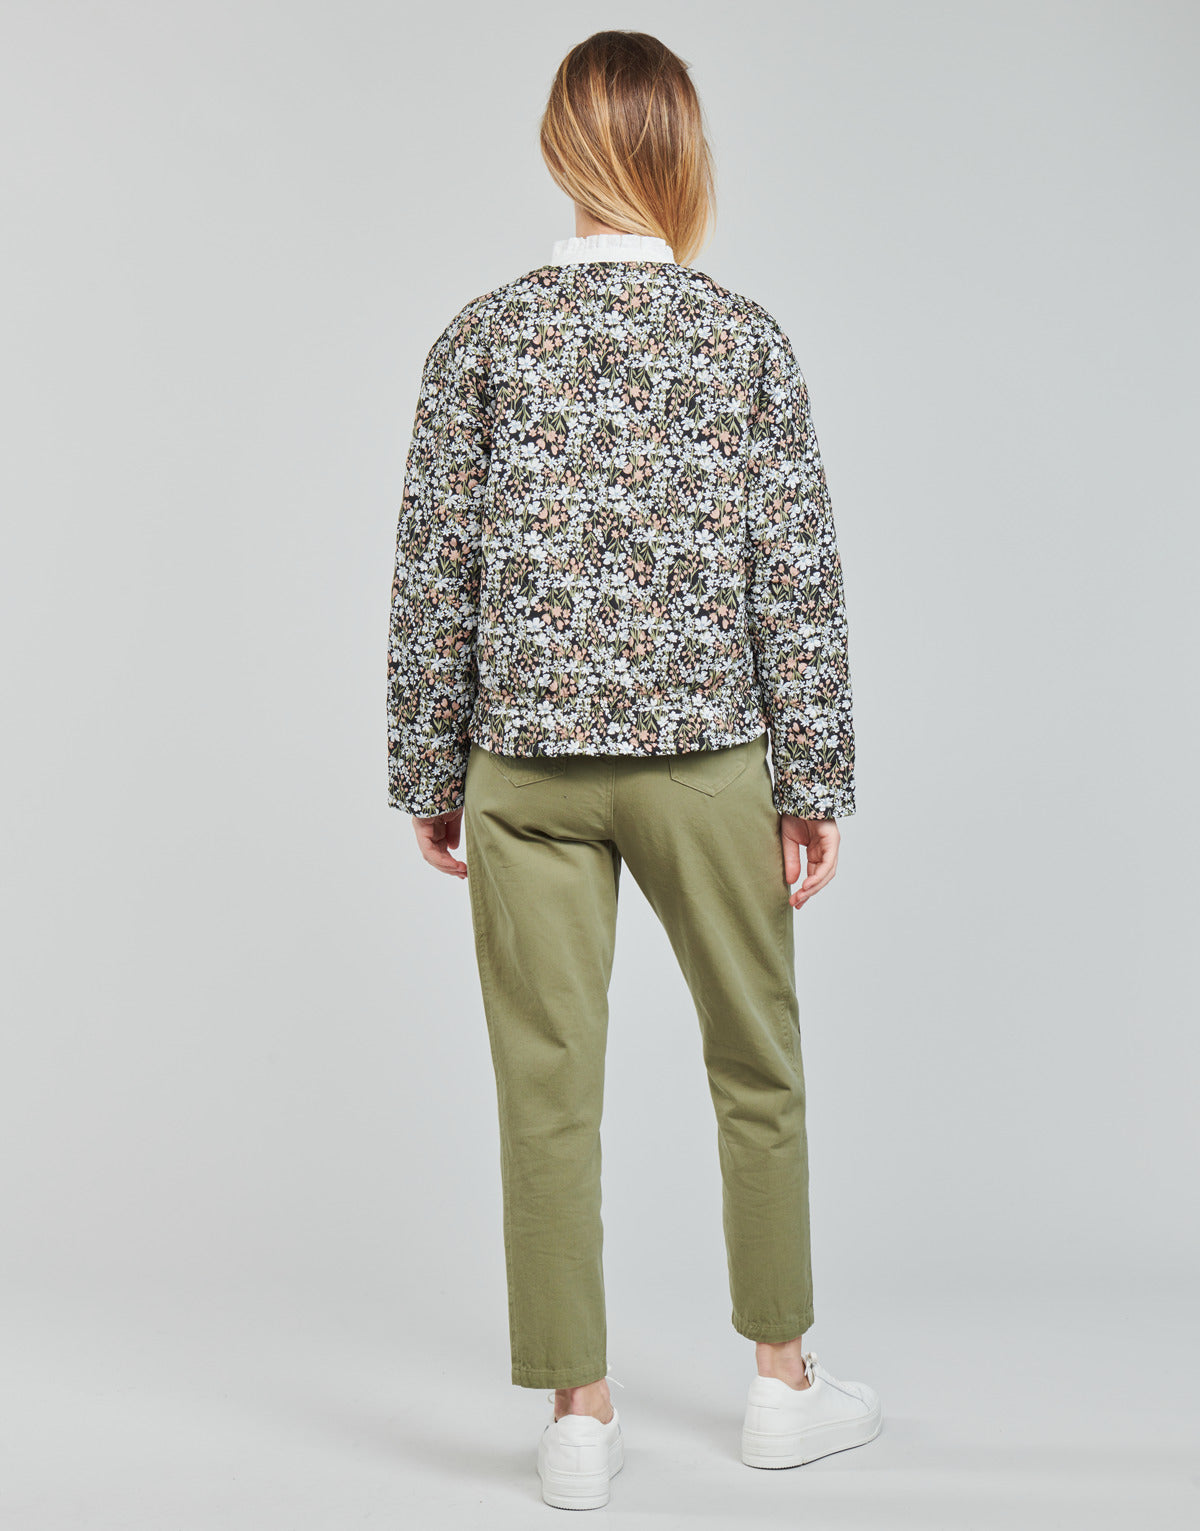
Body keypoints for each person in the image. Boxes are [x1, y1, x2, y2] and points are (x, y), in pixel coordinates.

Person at [386, 28, 881, 1511]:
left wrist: (429, 766)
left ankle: (579, 1418)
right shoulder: (743, 339)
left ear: (562, 149)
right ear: (684, 152)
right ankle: (783, 1384)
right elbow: (793, 576)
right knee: (757, 1064)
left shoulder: (480, 338)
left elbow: (434, 573)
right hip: (708, 762)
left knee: (545, 1089)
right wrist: (814, 776)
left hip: (523, 768)